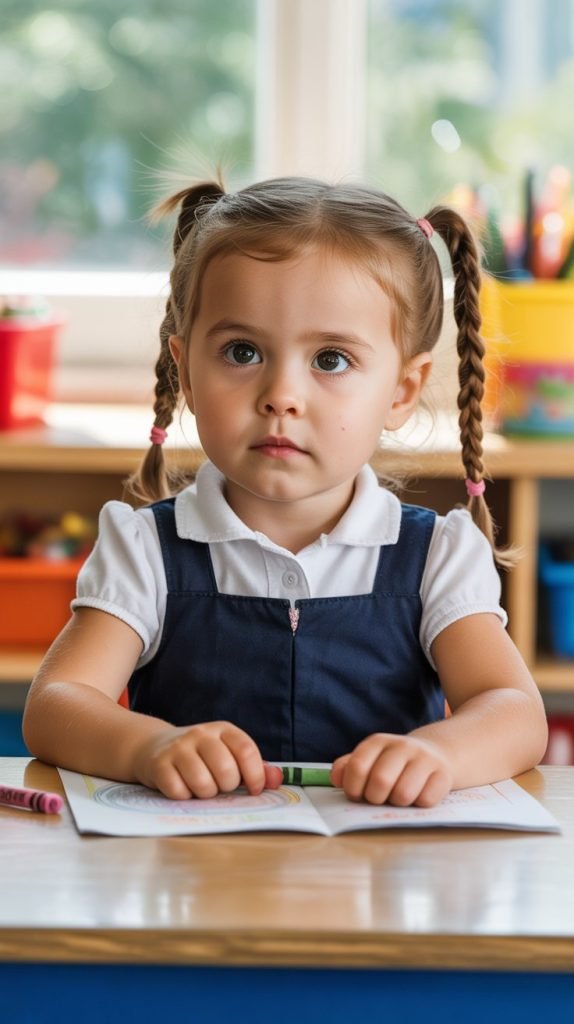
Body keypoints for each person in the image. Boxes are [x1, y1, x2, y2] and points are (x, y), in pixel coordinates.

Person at [23, 177, 548, 808]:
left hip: (380, 864)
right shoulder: (145, 549)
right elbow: (55, 705)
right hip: (196, 862)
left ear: (402, 390)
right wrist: (147, 746)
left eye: (331, 360)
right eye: (242, 352)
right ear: (185, 370)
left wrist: (442, 753)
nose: (281, 396)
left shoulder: (437, 554)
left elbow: (516, 712)